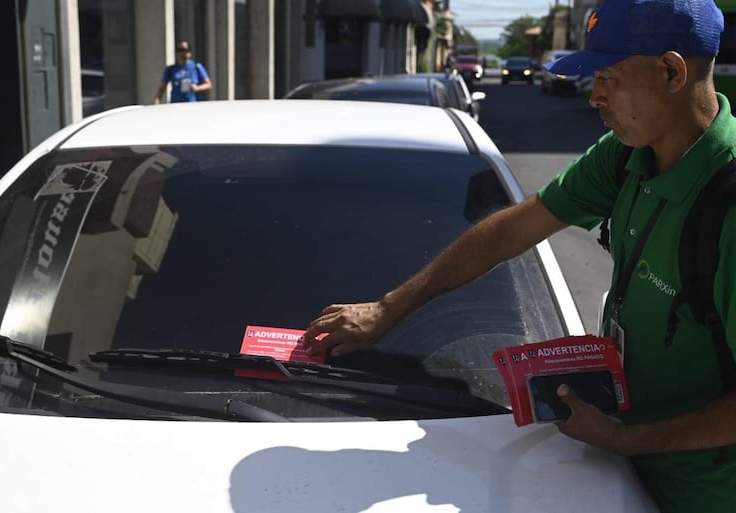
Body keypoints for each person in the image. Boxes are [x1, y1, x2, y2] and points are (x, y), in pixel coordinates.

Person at [302, 0, 736, 511]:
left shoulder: (726, 201)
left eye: (607, 76)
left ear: (670, 71)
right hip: (610, 462)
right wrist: (388, 308)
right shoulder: (626, 155)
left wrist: (625, 440)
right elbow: (513, 230)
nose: (594, 95)